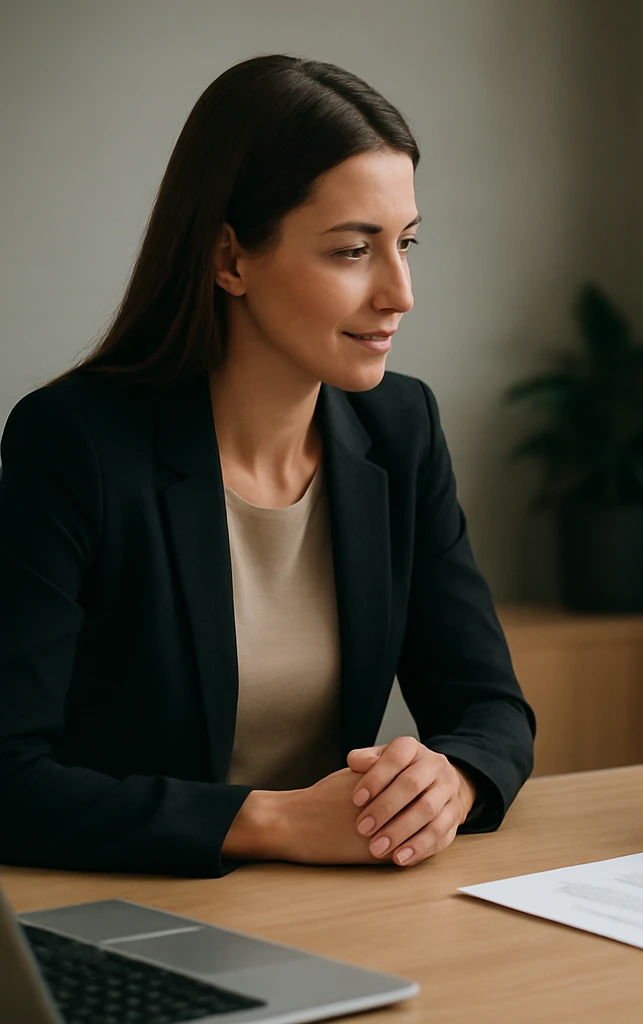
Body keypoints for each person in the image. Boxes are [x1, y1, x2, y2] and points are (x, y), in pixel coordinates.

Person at [0, 55, 535, 876]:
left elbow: (489, 707)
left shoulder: (402, 428)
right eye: (352, 250)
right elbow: (12, 779)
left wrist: (449, 782)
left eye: (406, 244)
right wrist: (273, 822)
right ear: (230, 259)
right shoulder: (74, 442)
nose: (400, 293)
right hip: (127, 904)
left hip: (330, 902)